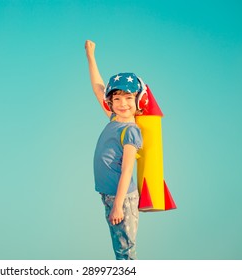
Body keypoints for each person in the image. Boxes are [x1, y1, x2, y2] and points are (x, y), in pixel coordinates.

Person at [85, 40, 143, 260]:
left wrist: (118, 205)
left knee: (125, 251)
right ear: (110, 102)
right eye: (116, 99)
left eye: (129, 98)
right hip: (110, 196)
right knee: (119, 248)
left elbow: (127, 170)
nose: (122, 103)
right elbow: (98, 87)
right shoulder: (114, 119)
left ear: (138, 101)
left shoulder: (130, 130)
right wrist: (91, 55)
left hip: (122, 199)